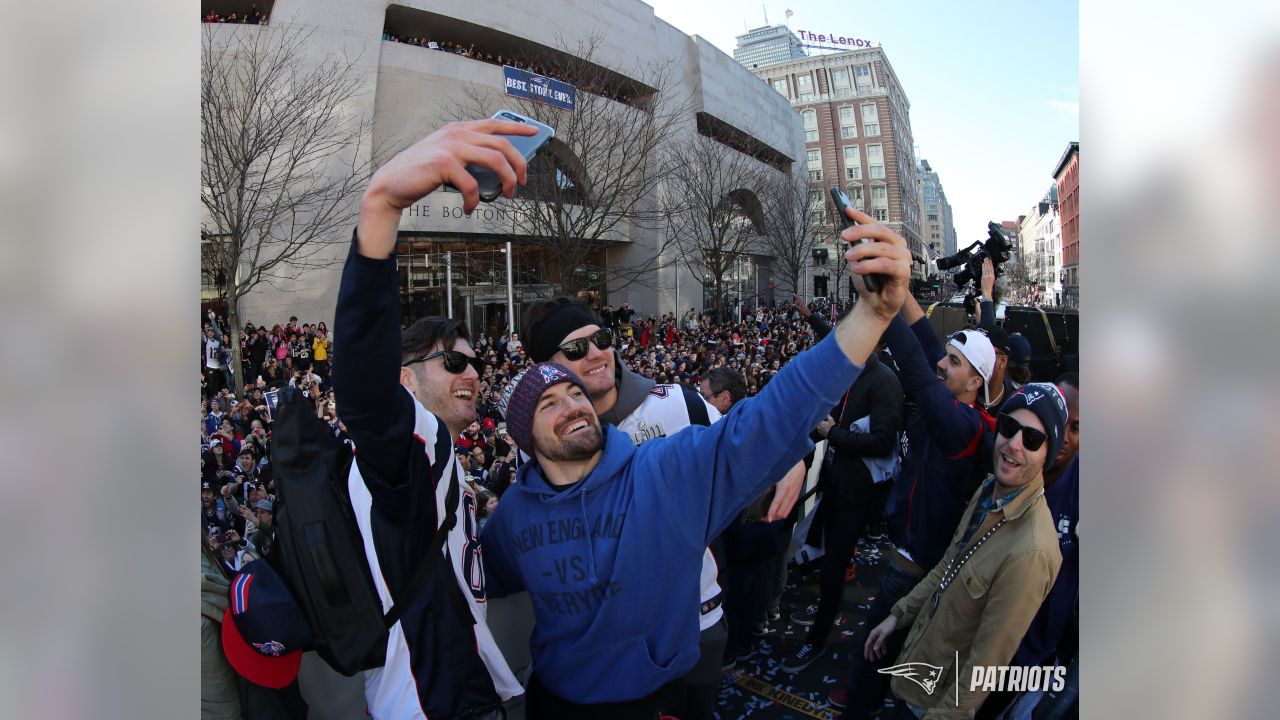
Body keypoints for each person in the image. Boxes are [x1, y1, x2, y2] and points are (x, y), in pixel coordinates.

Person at [478, 200, 910, 715]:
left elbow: (765, 423)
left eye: (597, 346)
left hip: (668, 676)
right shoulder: (516, 513)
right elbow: (475, 576)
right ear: (525, 431)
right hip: (557, 700)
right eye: (554, 394)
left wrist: (870, 316)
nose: (576, 393)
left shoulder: (662, 469)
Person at [330, 118, 537, 719]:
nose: (471, 372)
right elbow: (364, 397)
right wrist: (381, 209)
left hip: (475, 688)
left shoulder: (444, 456)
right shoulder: (407, 441)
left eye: (474, 361)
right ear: (406, 378)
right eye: (451, 361)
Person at [521, 297, 804, 720]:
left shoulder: (676, 402)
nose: (596, 353)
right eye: (575, 349)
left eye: (600, 338)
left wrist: (792, 457)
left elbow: (748, 439)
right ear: (548, 368)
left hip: (696, 619)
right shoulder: (542, 440)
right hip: (610, 641)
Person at [831, 292, 998, 718]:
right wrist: (902, 292)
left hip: (915, 573)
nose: (944, 364)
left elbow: (918, 368)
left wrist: (883, 306)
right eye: (947, 357)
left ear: (976, 383)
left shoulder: (962, 426)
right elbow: (926, 341)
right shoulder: (949, 404)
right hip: (907, 561)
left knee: (875, 664)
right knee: (887, 660)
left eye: (955, 363)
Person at [863, 383, 1067, 718]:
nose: (1014, 445)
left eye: (1031, 439)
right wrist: (899, 615)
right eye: (1010, 428)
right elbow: (948, 567)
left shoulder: (1032, 552)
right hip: (915, 674)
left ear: (1049, 453)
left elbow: (986, 663)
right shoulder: (989, 490)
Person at [781, 308, 903, 674]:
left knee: (833, 566)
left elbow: (883, 443)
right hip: (833, 483)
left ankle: (817, 640)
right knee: (822, 554)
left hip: (857, 493)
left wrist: (834, 433)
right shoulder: (848, 371)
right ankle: (825, 606)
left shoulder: (883, 382)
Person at [976, 374, 1080, 720]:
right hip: (971, 641)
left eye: (1076, 428)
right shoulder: (1001, 470)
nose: (1063, 437)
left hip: (1027, 660)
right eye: (1060, 422)